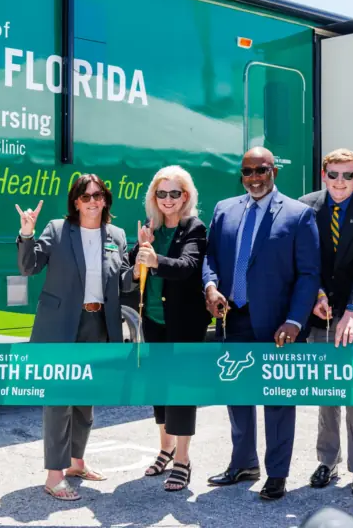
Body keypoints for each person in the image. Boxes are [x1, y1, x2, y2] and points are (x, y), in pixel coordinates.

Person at [202, 146, 320, 501]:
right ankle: (244, 463)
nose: (254, 178)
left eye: (261, 171)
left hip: (278, 325)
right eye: (248, 172)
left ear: (274, 172)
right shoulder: (225, 210)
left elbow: (309, 274)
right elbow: (210, 257)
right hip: (233, 315)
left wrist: (295, 320)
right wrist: (210, 287)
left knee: (278, 400)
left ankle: (277, 474)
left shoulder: (300, 215)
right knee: (236, 392)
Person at [16, 174, 136, 502]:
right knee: (59, 401)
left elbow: (124, 282)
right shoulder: (57, 230)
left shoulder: (117, 235)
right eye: (86, 196)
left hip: (99, 324)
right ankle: (54, 475)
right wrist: (26, 233)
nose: (93, 201)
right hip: (62, 326)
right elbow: (29, 267)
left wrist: (139, 266)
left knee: (85, 399)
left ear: (106, 200)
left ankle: (76, 463)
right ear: (76, 202)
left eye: (99, 195)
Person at [297, 149, 353, 498]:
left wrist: (352, 309)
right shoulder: (306, 206)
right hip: (319, 314)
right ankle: (327, 461)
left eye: (347, 175)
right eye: (333, 174)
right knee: (326, 393)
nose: (339, 182)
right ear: (323, 174)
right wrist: (317, 294)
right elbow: (306, 258)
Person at [128, 165, 211, 492]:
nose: (167, 199)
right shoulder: (152, 229)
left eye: (174, 193)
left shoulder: (194, 228)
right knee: (159, 390)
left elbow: (188, 267)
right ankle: (165, 448)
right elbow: (134, 270)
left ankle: (183, 460)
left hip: (184, 323)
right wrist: (139, 253)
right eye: (161, 193)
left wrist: (154, 259)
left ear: (185, 196)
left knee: (181, 391)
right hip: (154, 321)